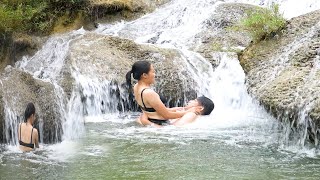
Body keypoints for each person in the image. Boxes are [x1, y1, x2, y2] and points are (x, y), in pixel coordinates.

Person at [126, 60, 201, 127]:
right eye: (153, 72)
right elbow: (167, 115)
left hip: (151, 120)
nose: (155, 74)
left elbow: (154, 110)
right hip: (159, 124)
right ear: (144, 75)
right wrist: (188, 112)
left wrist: (183, 109)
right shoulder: (149, 93)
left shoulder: (136, 87)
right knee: (192, 114)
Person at [139, 96, 214, 126]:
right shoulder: (186, 111)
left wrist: (147, 122)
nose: (190, 101)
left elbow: (173, 128)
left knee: (140, 120)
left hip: (166, 131)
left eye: (194, 100)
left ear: (200, 108)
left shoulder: (191, 114)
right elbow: (166, 111)